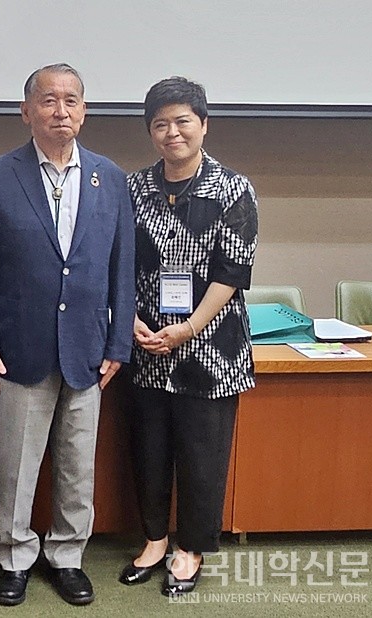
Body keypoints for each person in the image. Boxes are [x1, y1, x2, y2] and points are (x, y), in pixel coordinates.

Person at [0, 63, 135, 607]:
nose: (60, 111)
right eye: (48, 100)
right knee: (15, 465)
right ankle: (14, 556)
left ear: (84, 110)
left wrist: (119, 343)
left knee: (77, 465)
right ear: (26, 111)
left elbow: (122, 268)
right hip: (17, 349)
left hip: (88, 349)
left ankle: (67, 555)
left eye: (71, 101)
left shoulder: (110, 178)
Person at [120, 77, 258, 596]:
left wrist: (189, 328)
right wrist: (128, 318)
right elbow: (116, 262)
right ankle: (155, 539)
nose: (172, 132)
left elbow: (232, 272)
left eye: (182, 121)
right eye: (160, 124)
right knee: (149, 449)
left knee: (202, 455)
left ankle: (190, 548)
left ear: (204, 125)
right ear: (150, 132)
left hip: (211, 348)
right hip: (146, 344)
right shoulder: (132, 188)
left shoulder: (232, 189)